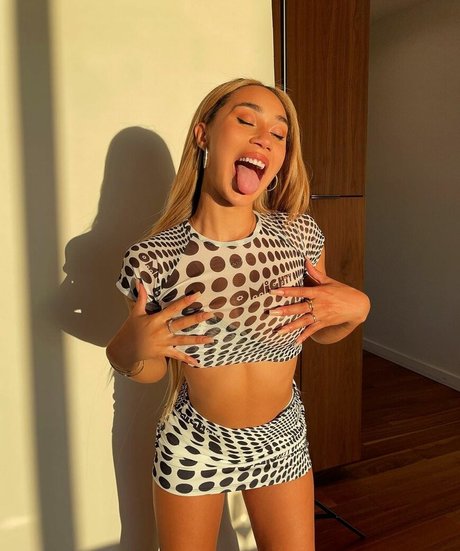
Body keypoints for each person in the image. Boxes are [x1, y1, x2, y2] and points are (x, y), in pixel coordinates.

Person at [106, 78, 370, 551]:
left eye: (279, 133)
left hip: (282, 437)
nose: (263, 138)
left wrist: (356, 311)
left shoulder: (300, 236)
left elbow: (316, 331)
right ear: (203, 134)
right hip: (194, 445)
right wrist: (128, 347)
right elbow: (149, 371)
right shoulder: (153, 258)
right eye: (246, 120)